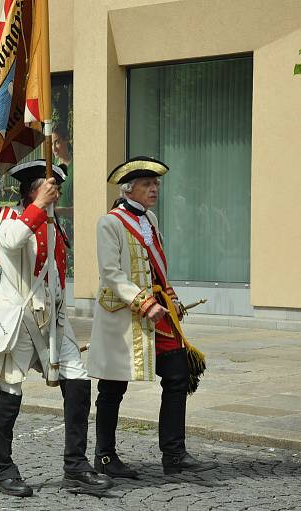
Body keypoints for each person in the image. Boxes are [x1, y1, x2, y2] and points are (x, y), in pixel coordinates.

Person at [0, 160, 113, 497]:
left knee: (79, 382)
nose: (57, 192)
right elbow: (9, 242)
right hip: (19, 321)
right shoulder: (11, 217)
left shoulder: (53, 224)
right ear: (33, 190)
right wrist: (38, 207)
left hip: (53, 320)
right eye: (50, 187)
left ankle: (76, 466)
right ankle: (3, 471)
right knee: (10, 391)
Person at [87, 156, 216, 477]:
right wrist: (144, 302)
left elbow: (155, 266)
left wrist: (168, 297)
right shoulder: (110, 223)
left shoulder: (151, 219)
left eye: (156, 183)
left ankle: (173, 454)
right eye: (147, 184)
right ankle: (105, 457)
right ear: (130, 189)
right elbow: (111, 274)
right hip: (123, 315)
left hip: (157, 312)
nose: (155, 188)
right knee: (112, 387)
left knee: (177, 375)